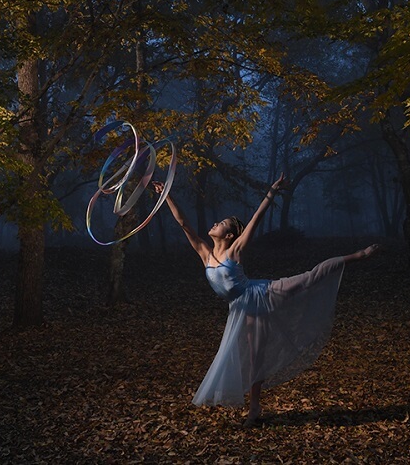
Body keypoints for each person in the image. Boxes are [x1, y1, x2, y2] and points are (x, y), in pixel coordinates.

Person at [152, 174, 378, 427]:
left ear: (229, 236)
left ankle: (357, 255)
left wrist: (271, 192)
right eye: (218, 221)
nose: (216, 223)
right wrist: (166, 196)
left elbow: (255, 220)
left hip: (261, 294)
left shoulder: (233, 251)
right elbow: (184, 224)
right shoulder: (204, 253)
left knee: (309, 278)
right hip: (240, 308)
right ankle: (256, 407)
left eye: (222, 224)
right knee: (254, 357)